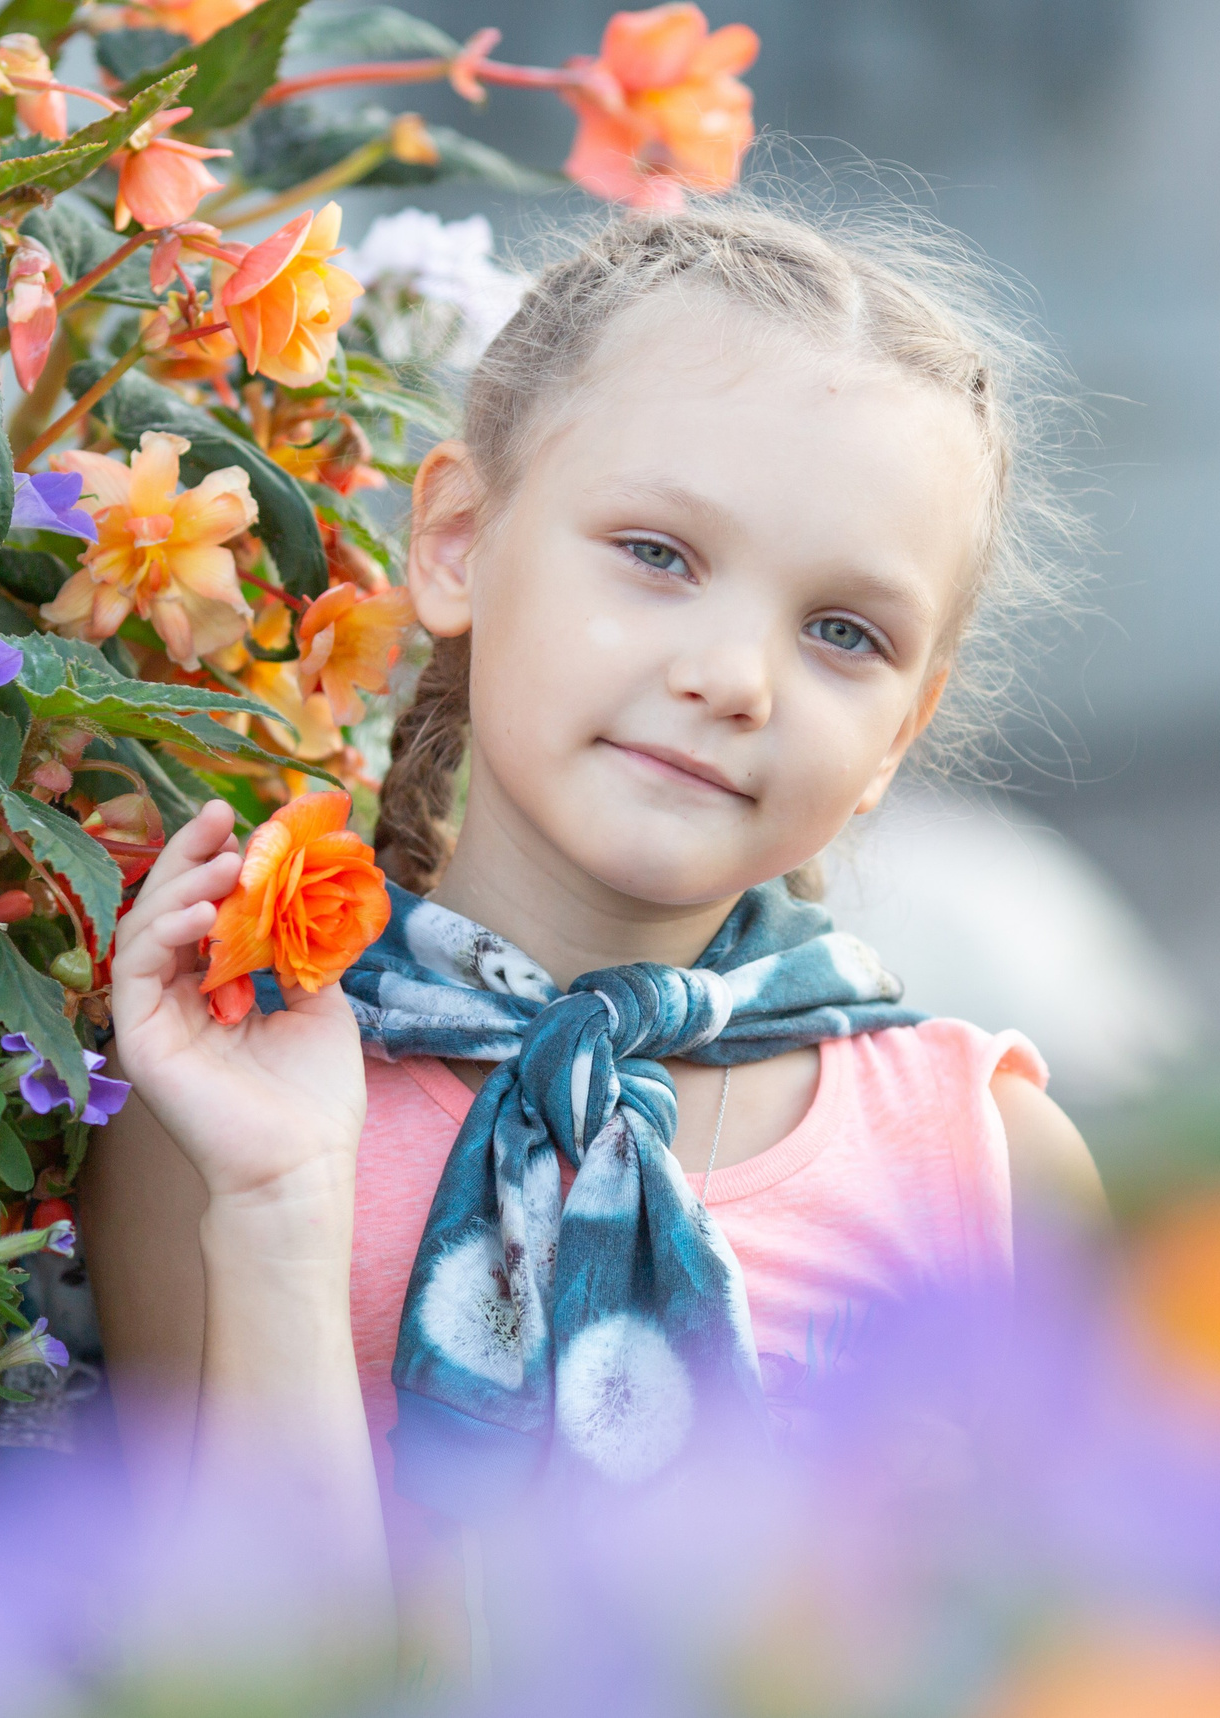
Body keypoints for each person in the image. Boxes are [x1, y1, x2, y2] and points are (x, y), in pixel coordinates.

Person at [78, 199, 1107, 1645]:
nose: (737, 675)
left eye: (844, 634)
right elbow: (237, 1674)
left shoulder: (990, 1166)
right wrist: (277, 1218)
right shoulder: (232, 1109)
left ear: (898, 735)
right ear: (454, 541)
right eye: (658, 552)